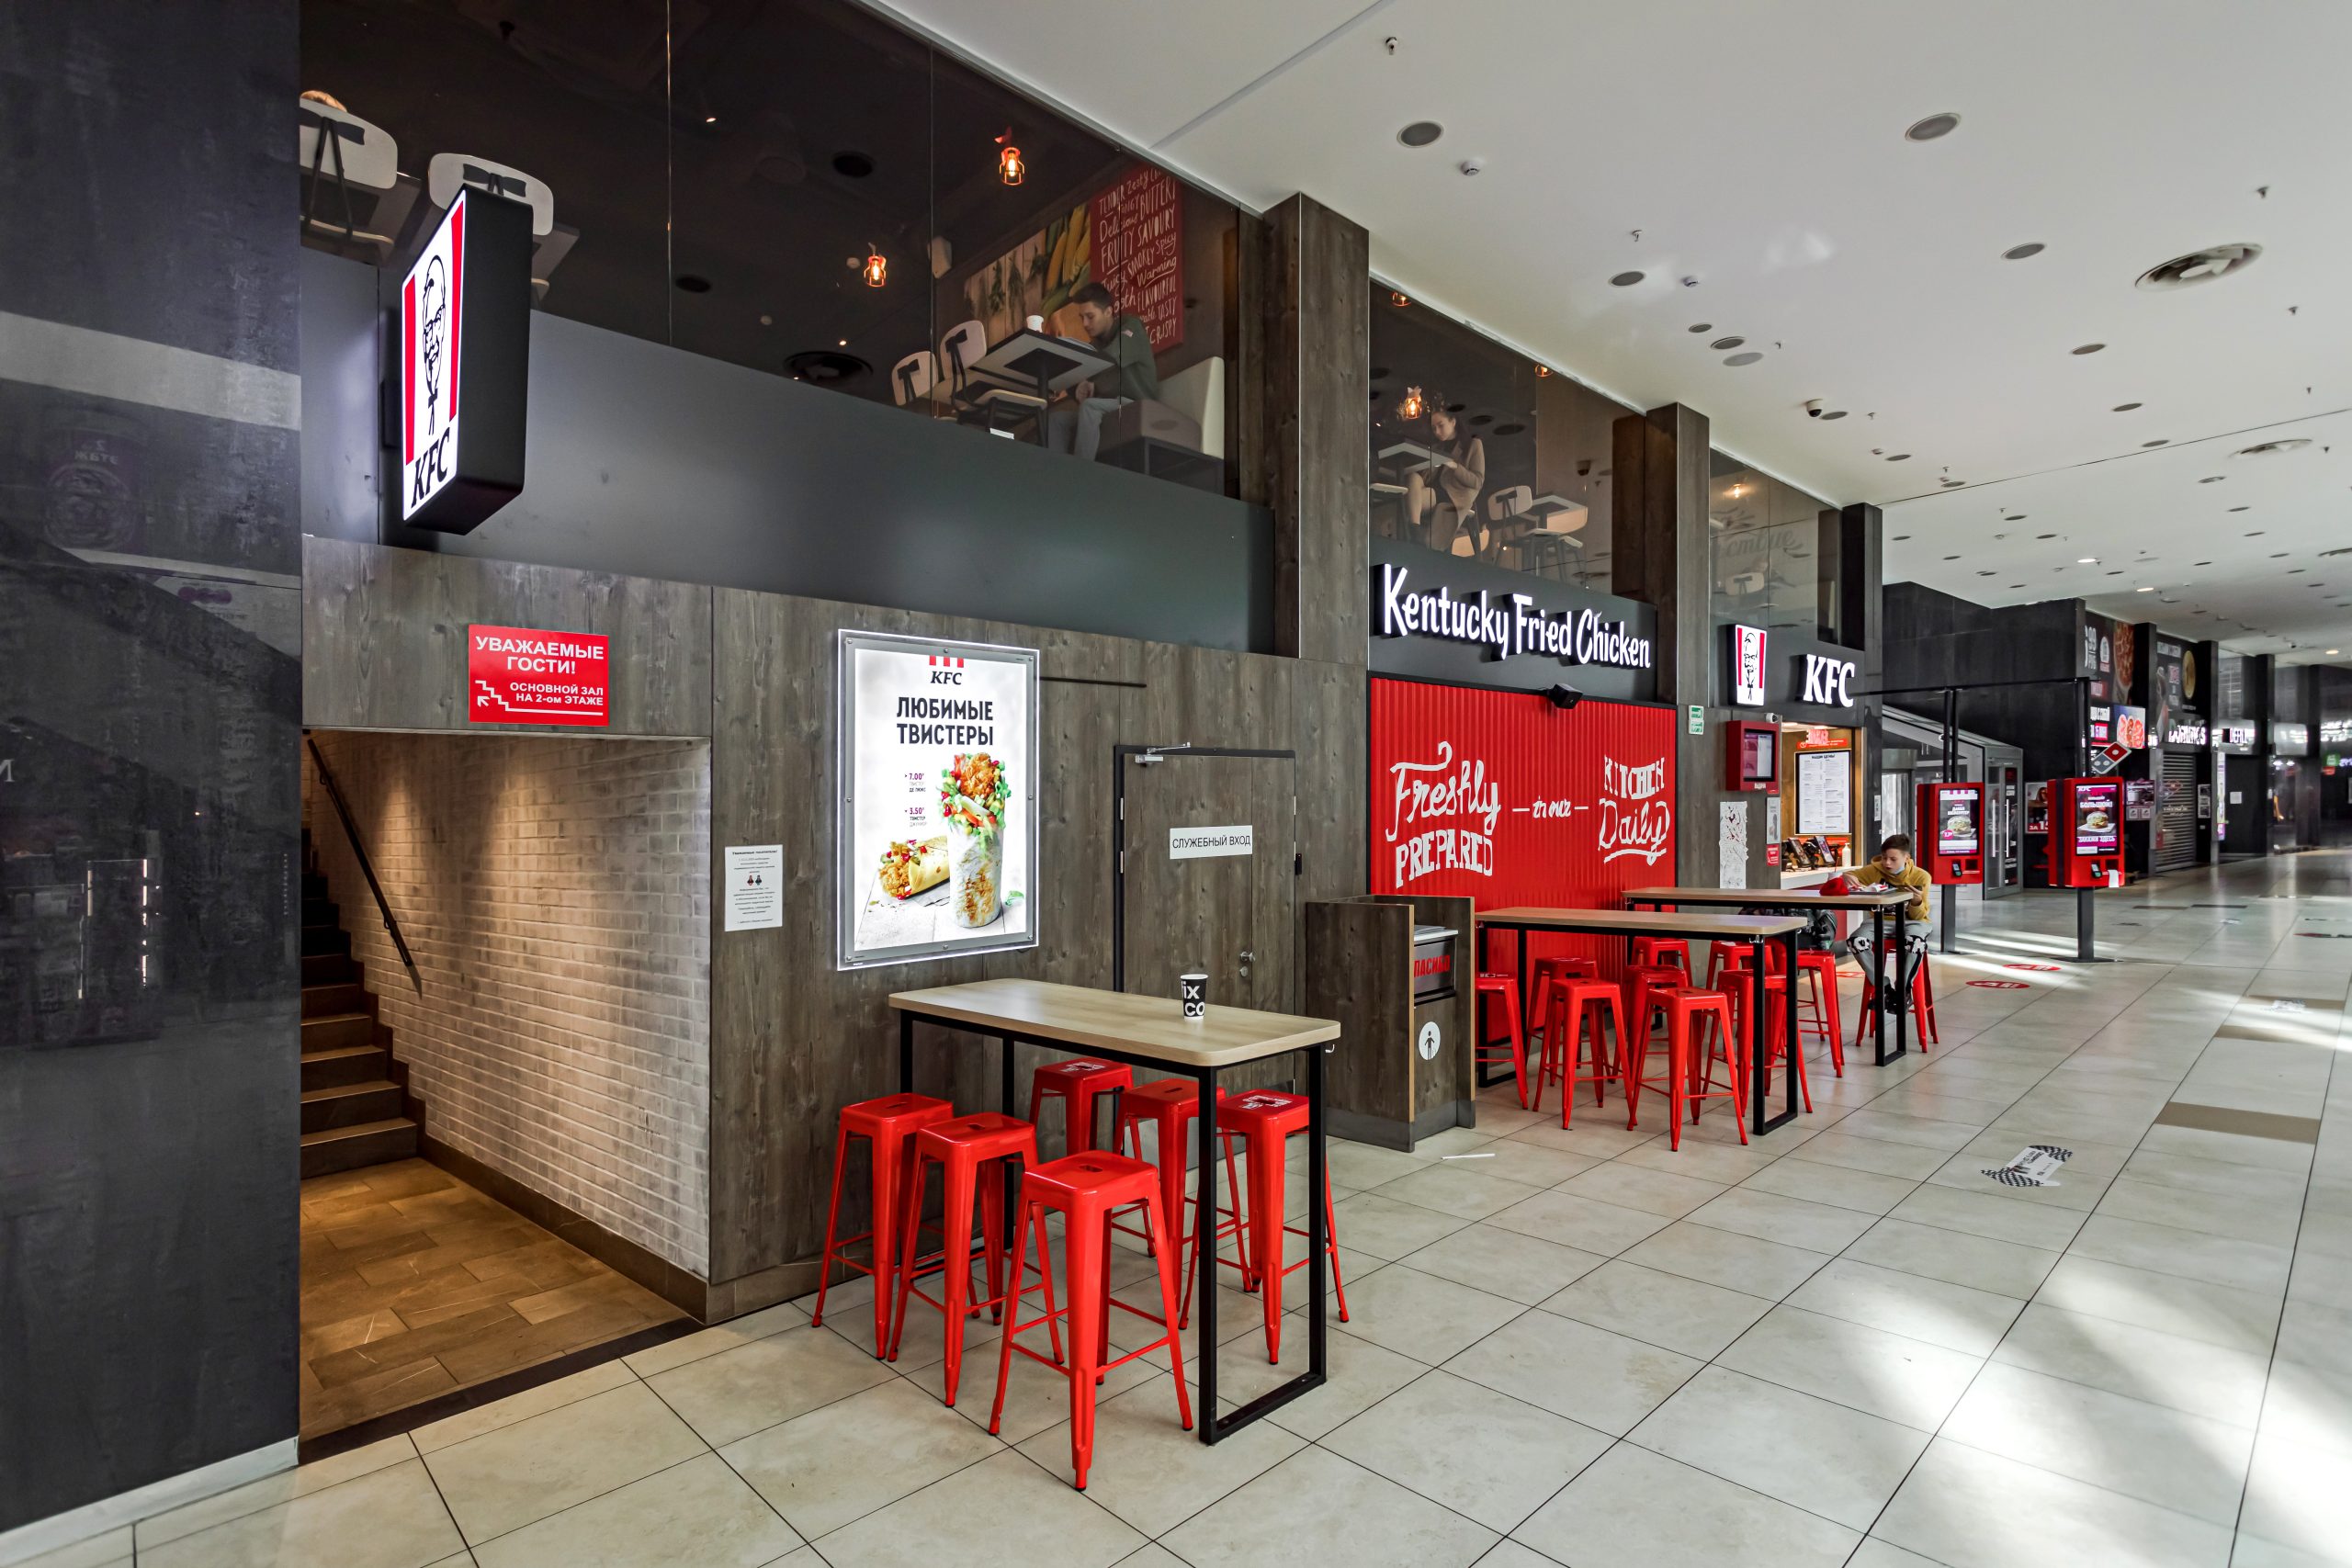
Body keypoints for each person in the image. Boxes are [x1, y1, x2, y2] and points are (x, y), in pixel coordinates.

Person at [1044, 282, 1160, 462]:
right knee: (1056, 420)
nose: (1085, 324)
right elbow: (1078, 381)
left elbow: (1112, 356)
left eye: (1090, 316)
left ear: (1108, 311)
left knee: (1090, 407)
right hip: (1108, 407)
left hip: (1136, 403)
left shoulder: (1131, 326)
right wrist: (1078, 386)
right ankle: (1057, 474)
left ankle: (1082, 473)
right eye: (1082, 317)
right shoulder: (1095, 345)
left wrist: (1088, 378)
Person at [1848, 834, 1933, 1014]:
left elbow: (1918, 916)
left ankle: (1903, 991)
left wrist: (1917, 902)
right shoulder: (1873, 870)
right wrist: (1846, 877)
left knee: (1915, 942)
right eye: (1884, 857)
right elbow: (1850, 875)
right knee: (1856, 941)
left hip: (1912, 922)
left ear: (1906, 858)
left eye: (1893, 859)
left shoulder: (1921, 876)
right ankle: (1885, 990)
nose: (1887, 863)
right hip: (1878, 921)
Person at [1402, 403, 1486, 555]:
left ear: (1453, 422)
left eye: (1440, 425)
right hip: (1432, 490)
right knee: (1413, 477)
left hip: (1453, 494)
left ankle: (1414, 534)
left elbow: (1477, 481)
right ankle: (1415, 530)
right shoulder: (1437, 447)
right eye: (1434, 428)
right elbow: (1427, 478)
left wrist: (1454, 466)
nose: (1437, 432)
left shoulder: (1473, 444)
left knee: (1410, 499)